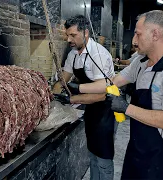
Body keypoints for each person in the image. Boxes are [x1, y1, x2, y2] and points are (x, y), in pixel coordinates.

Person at [68, 10, 163, 180]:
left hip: (161, 155)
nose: (134, 41)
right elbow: (112, 81)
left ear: (155, 34)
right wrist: (80, 88)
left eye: (138, 34)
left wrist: (126, 108)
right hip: (137, 146)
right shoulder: (140, 62)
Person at [52, 15, 115, 180]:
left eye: (73, 35)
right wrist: (52, 94)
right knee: (93, 156)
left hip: (105, 111)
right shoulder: (73, 54)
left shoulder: (99, 54)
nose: (68, 39)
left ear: (86, 33)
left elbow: (101, 94)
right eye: (67, 35)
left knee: (103, 159)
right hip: (90, 110)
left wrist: (72, 98)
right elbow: (64, 78)